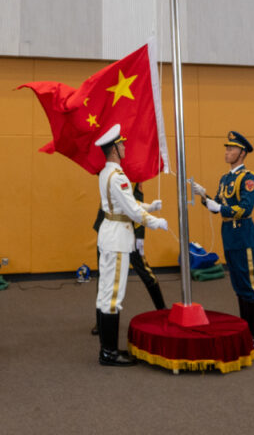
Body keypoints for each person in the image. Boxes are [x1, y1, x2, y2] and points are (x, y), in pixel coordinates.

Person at [91, 125, 170, 366]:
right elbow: (132, 211)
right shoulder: (119, 177)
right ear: (114, 149)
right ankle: (109, 353)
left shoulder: (107, 173)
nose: (125, 147)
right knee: (113, 297)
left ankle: (108, 349)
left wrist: (150, 207)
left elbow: (124, 204)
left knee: (105, 295)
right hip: (117, 239)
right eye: (122, 144)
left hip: (109, 234)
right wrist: (156, 221)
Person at [192, 131, 254, 350]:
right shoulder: (226, 179)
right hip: (229, 236)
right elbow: (216, 205)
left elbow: (245, 207)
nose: (227, 152)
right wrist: (204, 197)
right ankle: (246, 329)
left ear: (242, 153)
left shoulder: (248, 178)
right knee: (238, 284)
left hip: (243, 234)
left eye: (231, 149)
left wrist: (220, 207)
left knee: (250, 286)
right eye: (226, 148)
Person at [91, 181, 166, 337]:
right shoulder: (111, 172)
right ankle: (101, 320)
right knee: (104, 276)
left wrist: (140, 236)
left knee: (144, 271)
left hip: (129, 231)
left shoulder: (132, 174)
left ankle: (162, 311)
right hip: (109, 229)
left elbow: (135, 201)